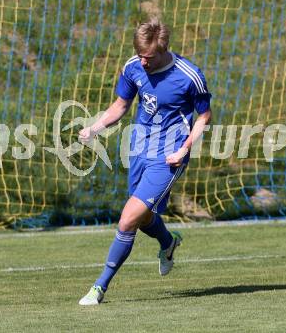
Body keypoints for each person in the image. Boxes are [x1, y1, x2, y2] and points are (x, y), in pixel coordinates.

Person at [78, 18, 212, 305]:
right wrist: (94, 127)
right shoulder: (132, 67)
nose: (143, 62)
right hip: (139, 150)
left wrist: (184, 149)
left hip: (169, 157)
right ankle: (168, 242)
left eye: (148, 57)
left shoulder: (189, 75)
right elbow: (121, 105)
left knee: (127, 220)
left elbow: (204, 116)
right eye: (140, 55)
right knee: (141, 219)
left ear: (163, 49)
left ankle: (99, 287)